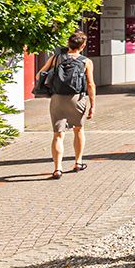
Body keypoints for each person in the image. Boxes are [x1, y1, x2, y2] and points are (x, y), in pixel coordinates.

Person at [35, 31, 95, 178]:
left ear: (68, 44)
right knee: (78, 130)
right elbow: (90, 84)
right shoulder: (86, 61)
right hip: (77, 99)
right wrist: (93, 105)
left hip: (57, 99)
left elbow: (39, 75)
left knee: (58, 135)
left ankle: (57, 169)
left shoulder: (55, 58)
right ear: (83, 46)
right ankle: (78, 162)